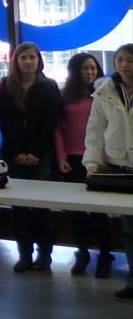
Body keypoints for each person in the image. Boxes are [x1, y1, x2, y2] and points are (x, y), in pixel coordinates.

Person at [0, 42, 63, 273]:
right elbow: (4, 123)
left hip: (41, 154)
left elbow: (51, 123)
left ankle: (44, 256)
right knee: (19, 207)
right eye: (23, 57)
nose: (28, 61)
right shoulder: (5, 86)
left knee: (41, 206)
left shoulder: (49, 86)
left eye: (32, 57)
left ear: (39, 60)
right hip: (13, 154)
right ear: (16, 61)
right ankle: (25, 254)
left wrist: (35, 152)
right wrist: (16, 152)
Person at [55, 52, 114, 277]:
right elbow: (57, 129)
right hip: (72, 159)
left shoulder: (106, 95)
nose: (89, 73)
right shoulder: (64, 96)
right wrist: (61, 157)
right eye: (84, 68)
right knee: (76, 213)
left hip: (99, 161)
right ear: (75, 71)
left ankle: (105, 255)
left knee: (100, 212)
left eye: (93, 68)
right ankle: (82, 253)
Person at [83, 43, 133, 301]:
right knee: (129, 226)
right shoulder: (105, 92)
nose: (124, 65)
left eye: (130, 60)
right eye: (120, 60)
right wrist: (91, 161)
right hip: (118, 166)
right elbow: (94, 130)